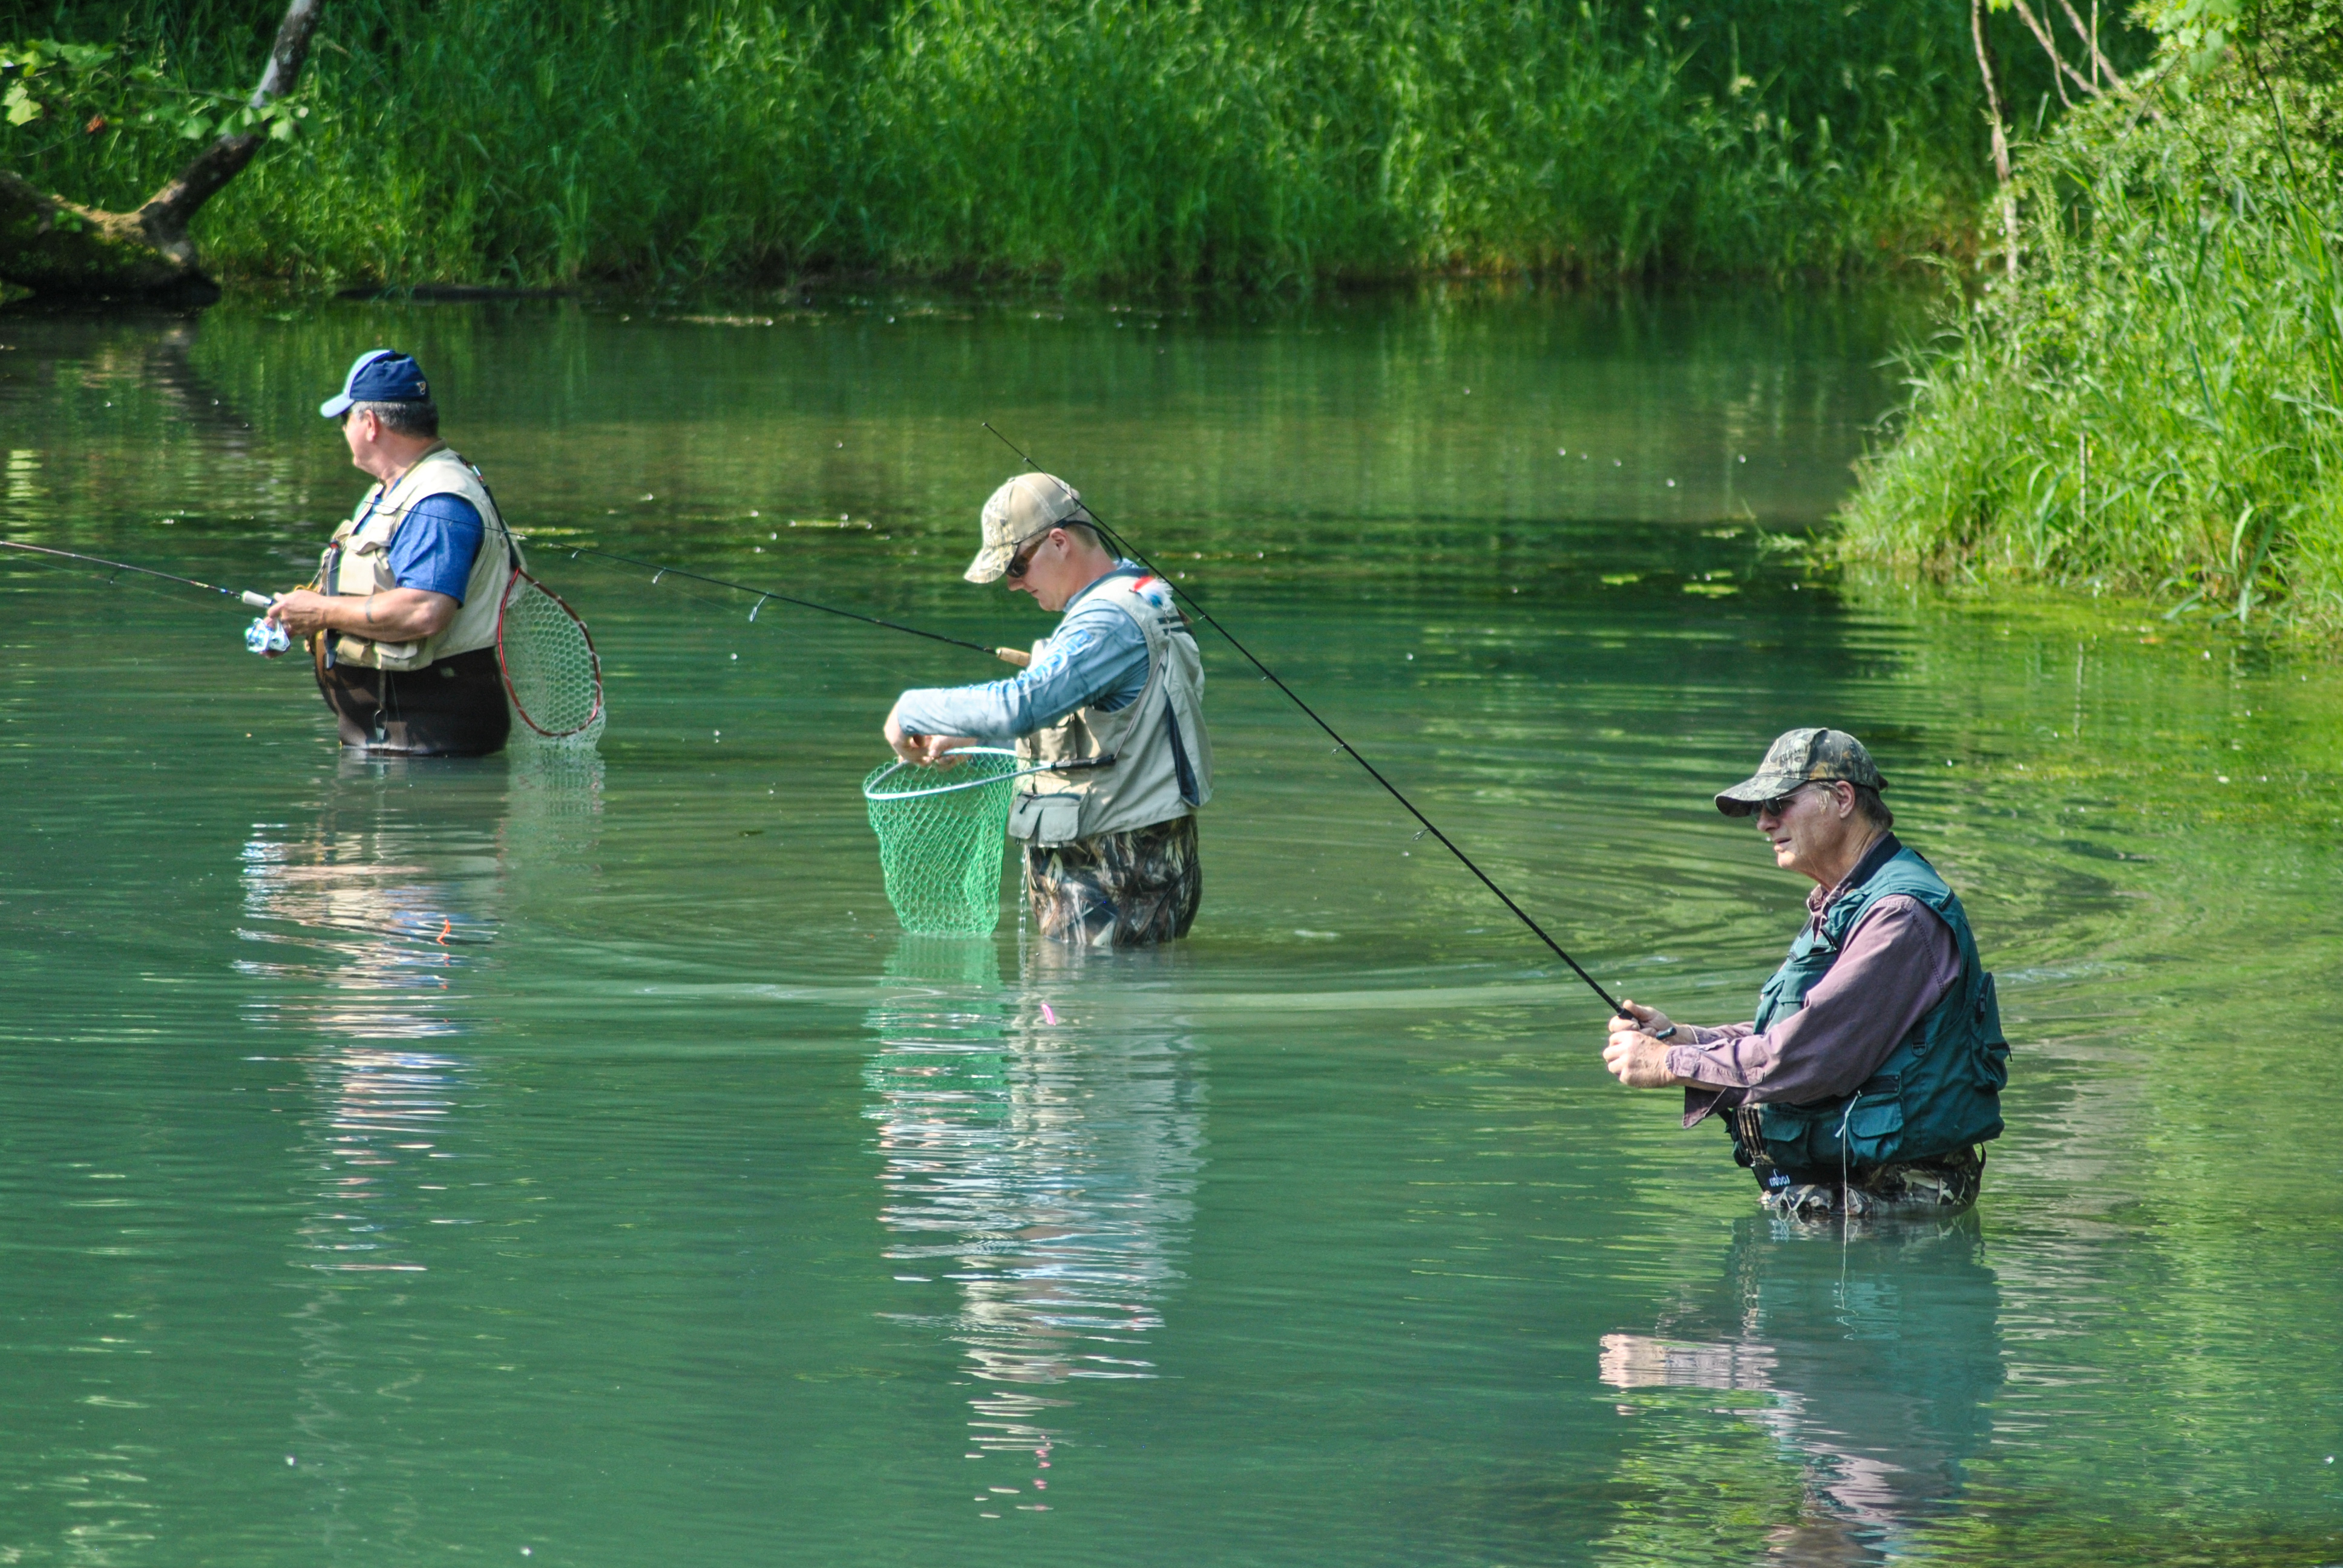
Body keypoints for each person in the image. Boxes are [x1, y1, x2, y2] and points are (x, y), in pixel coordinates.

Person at [1601, 728, 2010, 1220]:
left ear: (1841, 798)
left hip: (1886, 1210)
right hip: (1844, 1201)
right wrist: (1680, 1036)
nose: (1764, 823)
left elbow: (1808, 1056)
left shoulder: (1899, 914)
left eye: (1779, 803)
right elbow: (1794, 1034)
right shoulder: (1849, 899)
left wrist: (1671, 1063)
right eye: (1758, 810)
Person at [883, 472, 1212, 949]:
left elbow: (1022, 705)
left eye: (1016, 567)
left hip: (1110, 891)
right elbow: (1116, 731)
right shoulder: (1143, 593)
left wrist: (914, 709)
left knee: (1069, 1019)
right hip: (1142, 879)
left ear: (1059, 542)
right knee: (1088, 1018)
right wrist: (977, 737)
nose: (1014, 586)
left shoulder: (1106, 622)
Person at [264, 350, 518, 757]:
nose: (343, 430)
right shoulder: (396, 489)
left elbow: (425, 610)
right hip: (396, 745)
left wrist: (322, 613)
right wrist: (303, 615)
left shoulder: (438, 500)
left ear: (370, 423)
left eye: (345, 419)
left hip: (433, 750)